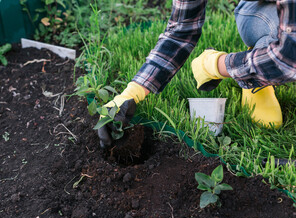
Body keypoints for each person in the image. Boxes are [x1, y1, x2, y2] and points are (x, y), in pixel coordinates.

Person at [97, 0, 296, 148]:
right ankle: (258, 76)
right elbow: (181, 30)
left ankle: (245, 68)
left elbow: (287, 57)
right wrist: (130, 94)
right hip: (265, 12)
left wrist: (217, 65)